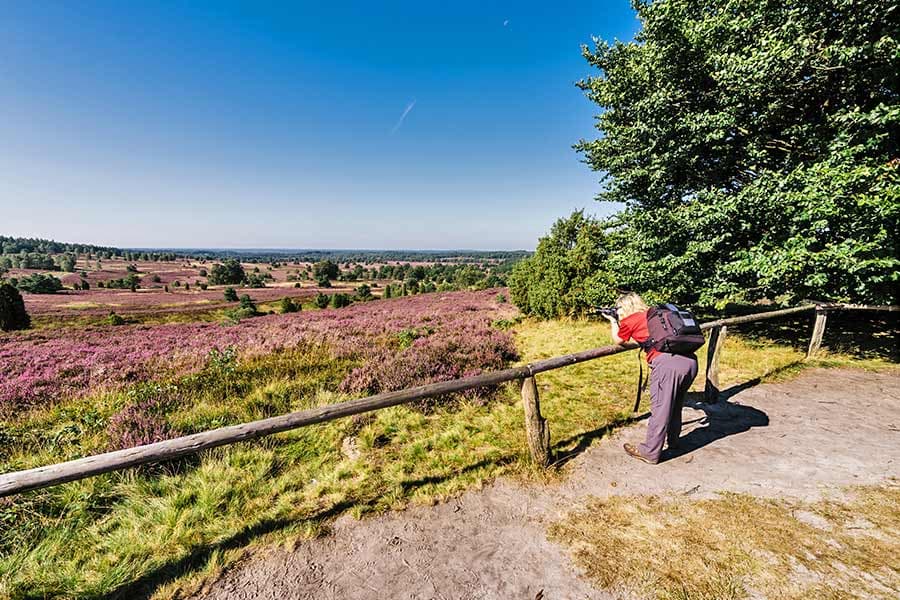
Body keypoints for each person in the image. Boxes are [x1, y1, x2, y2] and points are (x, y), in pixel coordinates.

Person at [601, 292, 698, 464]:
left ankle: (650, 452)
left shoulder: (631, 320)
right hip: (689, 362)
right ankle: (674, 441)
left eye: (618, 309)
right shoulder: (654, 314)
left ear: (625, 307)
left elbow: (618, 340)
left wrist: (613, 321)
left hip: (668, 365)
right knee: (675, 404)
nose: (618, 312)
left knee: (660, 409)